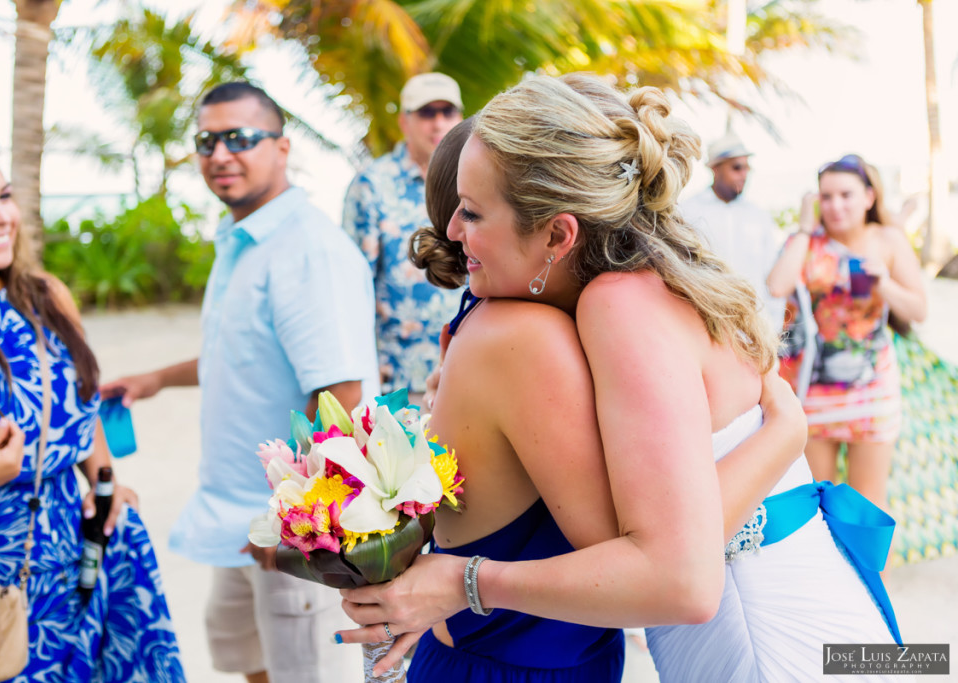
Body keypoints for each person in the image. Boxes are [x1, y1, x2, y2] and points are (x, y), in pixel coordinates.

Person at [336, 76, 901, 682]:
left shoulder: (620, 304)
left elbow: (676, 576)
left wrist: (464, 583)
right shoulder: (653, 281)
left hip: (765, 637)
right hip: (801, 602)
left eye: (470, 212)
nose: (449, 232)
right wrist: (783, 434)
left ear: (558, 233)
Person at [100, 83, 377, 683]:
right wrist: (156, 379)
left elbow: (339, 395)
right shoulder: (245, 239)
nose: (221, 153)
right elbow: (240, 355)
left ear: (281, 147)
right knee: (248, 665)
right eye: (207, 140)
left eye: (241, 138)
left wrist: (294, 521)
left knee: (303, 673)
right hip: (234, 517)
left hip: (289, 527)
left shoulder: (304, 249)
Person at [0, 123, 184, 680]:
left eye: (4, 196)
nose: (1, 216)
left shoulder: (45, 296)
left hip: (69, 563)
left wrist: (105, 478)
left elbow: (81, 402)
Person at [767, 154, 927, 512]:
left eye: (846, 195)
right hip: (812, 392)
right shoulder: (805, 241)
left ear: (869, 197)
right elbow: (777, 285)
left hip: (871, 390)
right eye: (826, 197)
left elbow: (918, 309)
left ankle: (871, 572)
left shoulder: (888, 239)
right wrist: (805, 229)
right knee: (819, 506)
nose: (836, 205)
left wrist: (883, 284)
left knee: (868, 506)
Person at [342, 72, 466, 402]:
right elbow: (352, 287)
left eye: (447, 112)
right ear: (404, 121)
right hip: (397, 380)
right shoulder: (371, 185)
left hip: (467, 370)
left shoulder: (476, 179)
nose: (438, 123)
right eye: (427, 113)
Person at [680, 131, 784, 330]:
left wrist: (773, 327)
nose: (744, 174)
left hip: (755, 329)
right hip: (704, 327)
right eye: (737, 167)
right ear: (715, 169)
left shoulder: (759, 216)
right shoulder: (687, 212)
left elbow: (770, 277)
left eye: (747, 168)